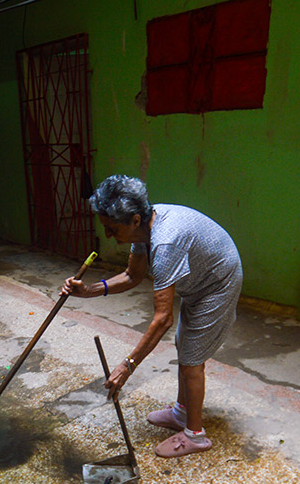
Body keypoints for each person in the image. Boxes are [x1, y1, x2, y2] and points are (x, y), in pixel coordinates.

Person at [61, 175, 243, 458]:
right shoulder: (143, 229)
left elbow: (162, 320)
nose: (108, 235)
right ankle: (182, 413)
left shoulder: (165, 242)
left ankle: (195, 435)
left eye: (112, 229)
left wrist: (127, 366)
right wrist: (88, 291)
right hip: (199, 281)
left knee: (192, 360)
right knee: (186, 347)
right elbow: (132, 275)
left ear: (134, 219)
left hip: (218, 284)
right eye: (105, 228)